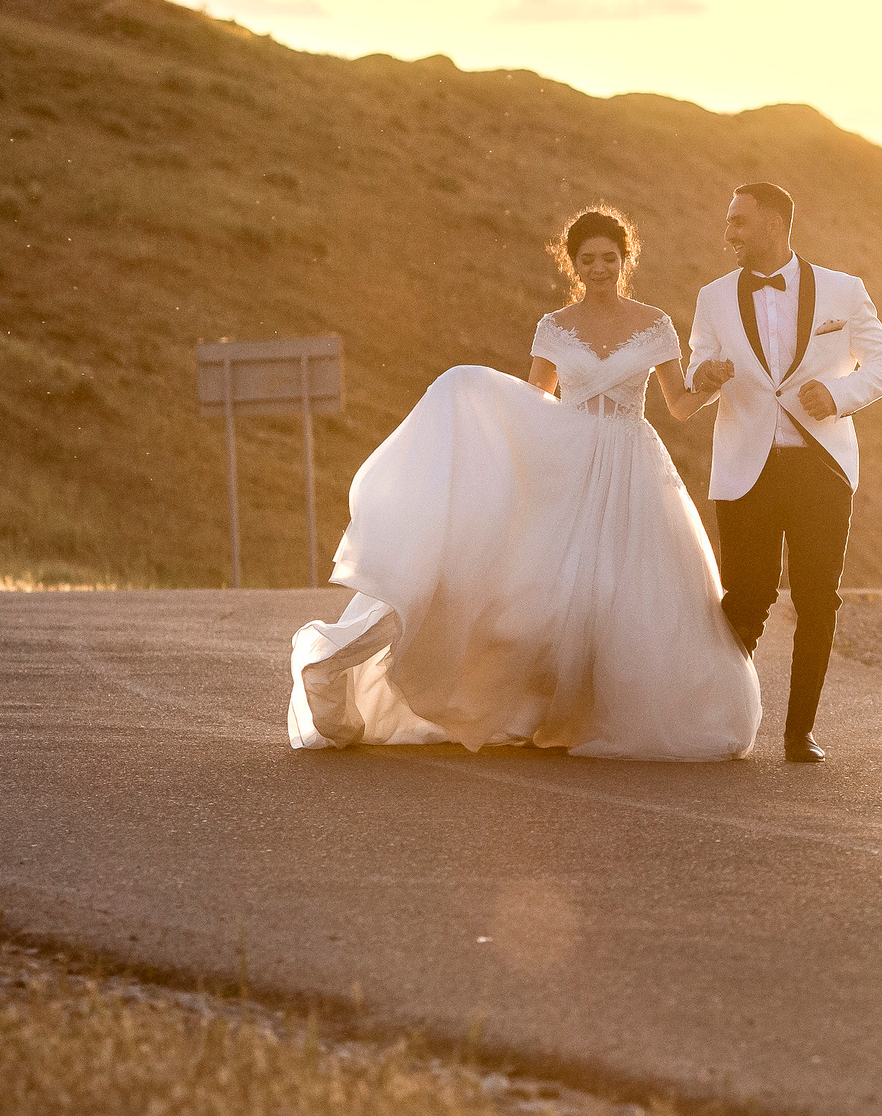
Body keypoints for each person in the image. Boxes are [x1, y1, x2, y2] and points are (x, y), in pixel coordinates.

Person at [288, 205, 762, 760]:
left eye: (610, 258)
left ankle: (614, 711)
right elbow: (534, 404)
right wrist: (475, 401)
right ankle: (540, 707)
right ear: (573, 264)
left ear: (626, 259)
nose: (600, 268)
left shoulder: (654, 323)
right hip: (568, 465)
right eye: (588, 259)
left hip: (633, 465)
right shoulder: (554, 327)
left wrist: (709, 382)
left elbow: (678, 405)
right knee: (548, 594)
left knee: (629, 592)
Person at [684, 183, 882, 761]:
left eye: (739, 222)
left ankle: (799, 732)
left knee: (817, 598)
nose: (729, 233)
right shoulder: (713, 297)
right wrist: (705, 376)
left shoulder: (843, 290)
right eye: (729, 221)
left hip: (820, 468)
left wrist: (838, 395)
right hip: (745, 468)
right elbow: (696, 370)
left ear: (775, 223)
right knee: (745, 597)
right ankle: (724, 723)